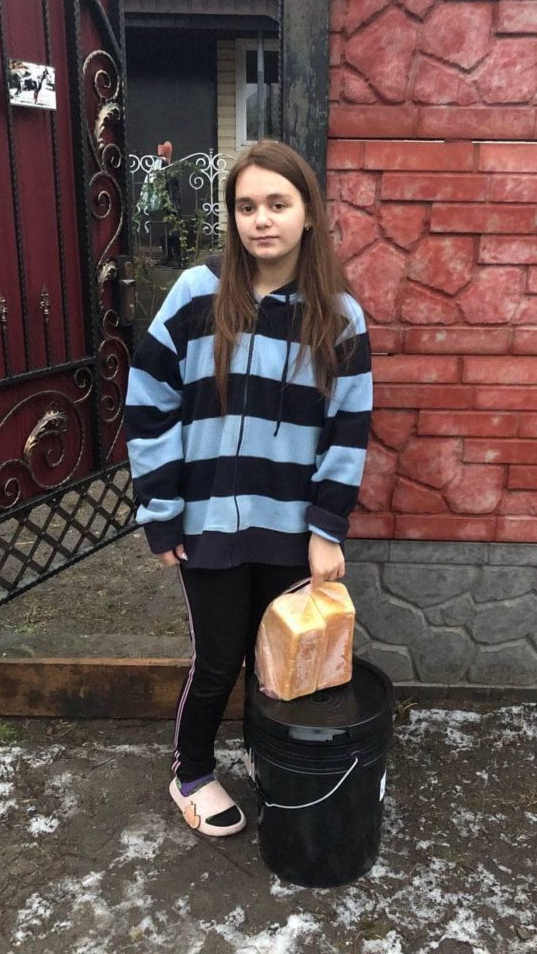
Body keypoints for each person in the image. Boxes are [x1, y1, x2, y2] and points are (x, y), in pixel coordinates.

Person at [124, 139, 372, 837]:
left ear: (309, 215)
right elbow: (147, 404)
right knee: (219, 658)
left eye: (277, 204)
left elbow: (348, 430)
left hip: (291, 530)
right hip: (205, 525)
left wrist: (326, 531)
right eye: (245, 206)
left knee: (281, 663)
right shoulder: (196, 294)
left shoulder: (340, 318)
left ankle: (275, 761)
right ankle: (192, 771)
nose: (261, 219)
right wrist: (162, 513)